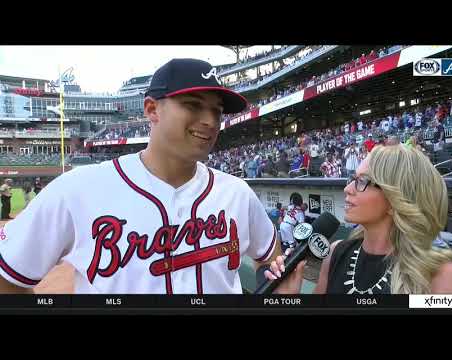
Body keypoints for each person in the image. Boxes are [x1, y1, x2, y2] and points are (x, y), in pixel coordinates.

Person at [0, 58, 283, 294]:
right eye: (193, 105)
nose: (209, 121)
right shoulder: (78, 189)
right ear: (151, 109)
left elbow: (270, 260)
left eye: (217, 111)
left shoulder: (237, 192)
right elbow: (8, 278)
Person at [265, 145, 452, 294]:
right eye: (352, 180)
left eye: (361, 182)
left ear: (397, 197)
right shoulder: (336, 253)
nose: (347, 189)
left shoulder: (443, 277)